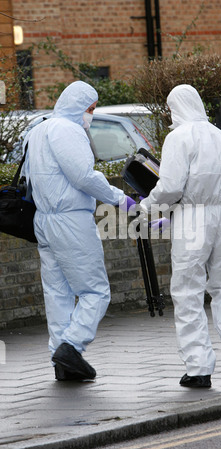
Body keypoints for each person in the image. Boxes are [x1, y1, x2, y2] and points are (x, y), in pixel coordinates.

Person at [140, 84, 221, 388]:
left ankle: (199, 367)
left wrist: (146, 208)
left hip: (193, 217)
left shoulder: (179, 137)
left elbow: (171, 187)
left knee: (188, 291)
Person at [23, 81, 135, 381]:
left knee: (57, 292)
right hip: (71, 219)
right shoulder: (69, 130)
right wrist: (119, 198)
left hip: (44, 220)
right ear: (79, 105)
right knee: (95, 291)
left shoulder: (38, 130)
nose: (91, 115)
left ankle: (61, 361)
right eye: (91, 109)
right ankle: (71, 347)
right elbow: (84, 176)